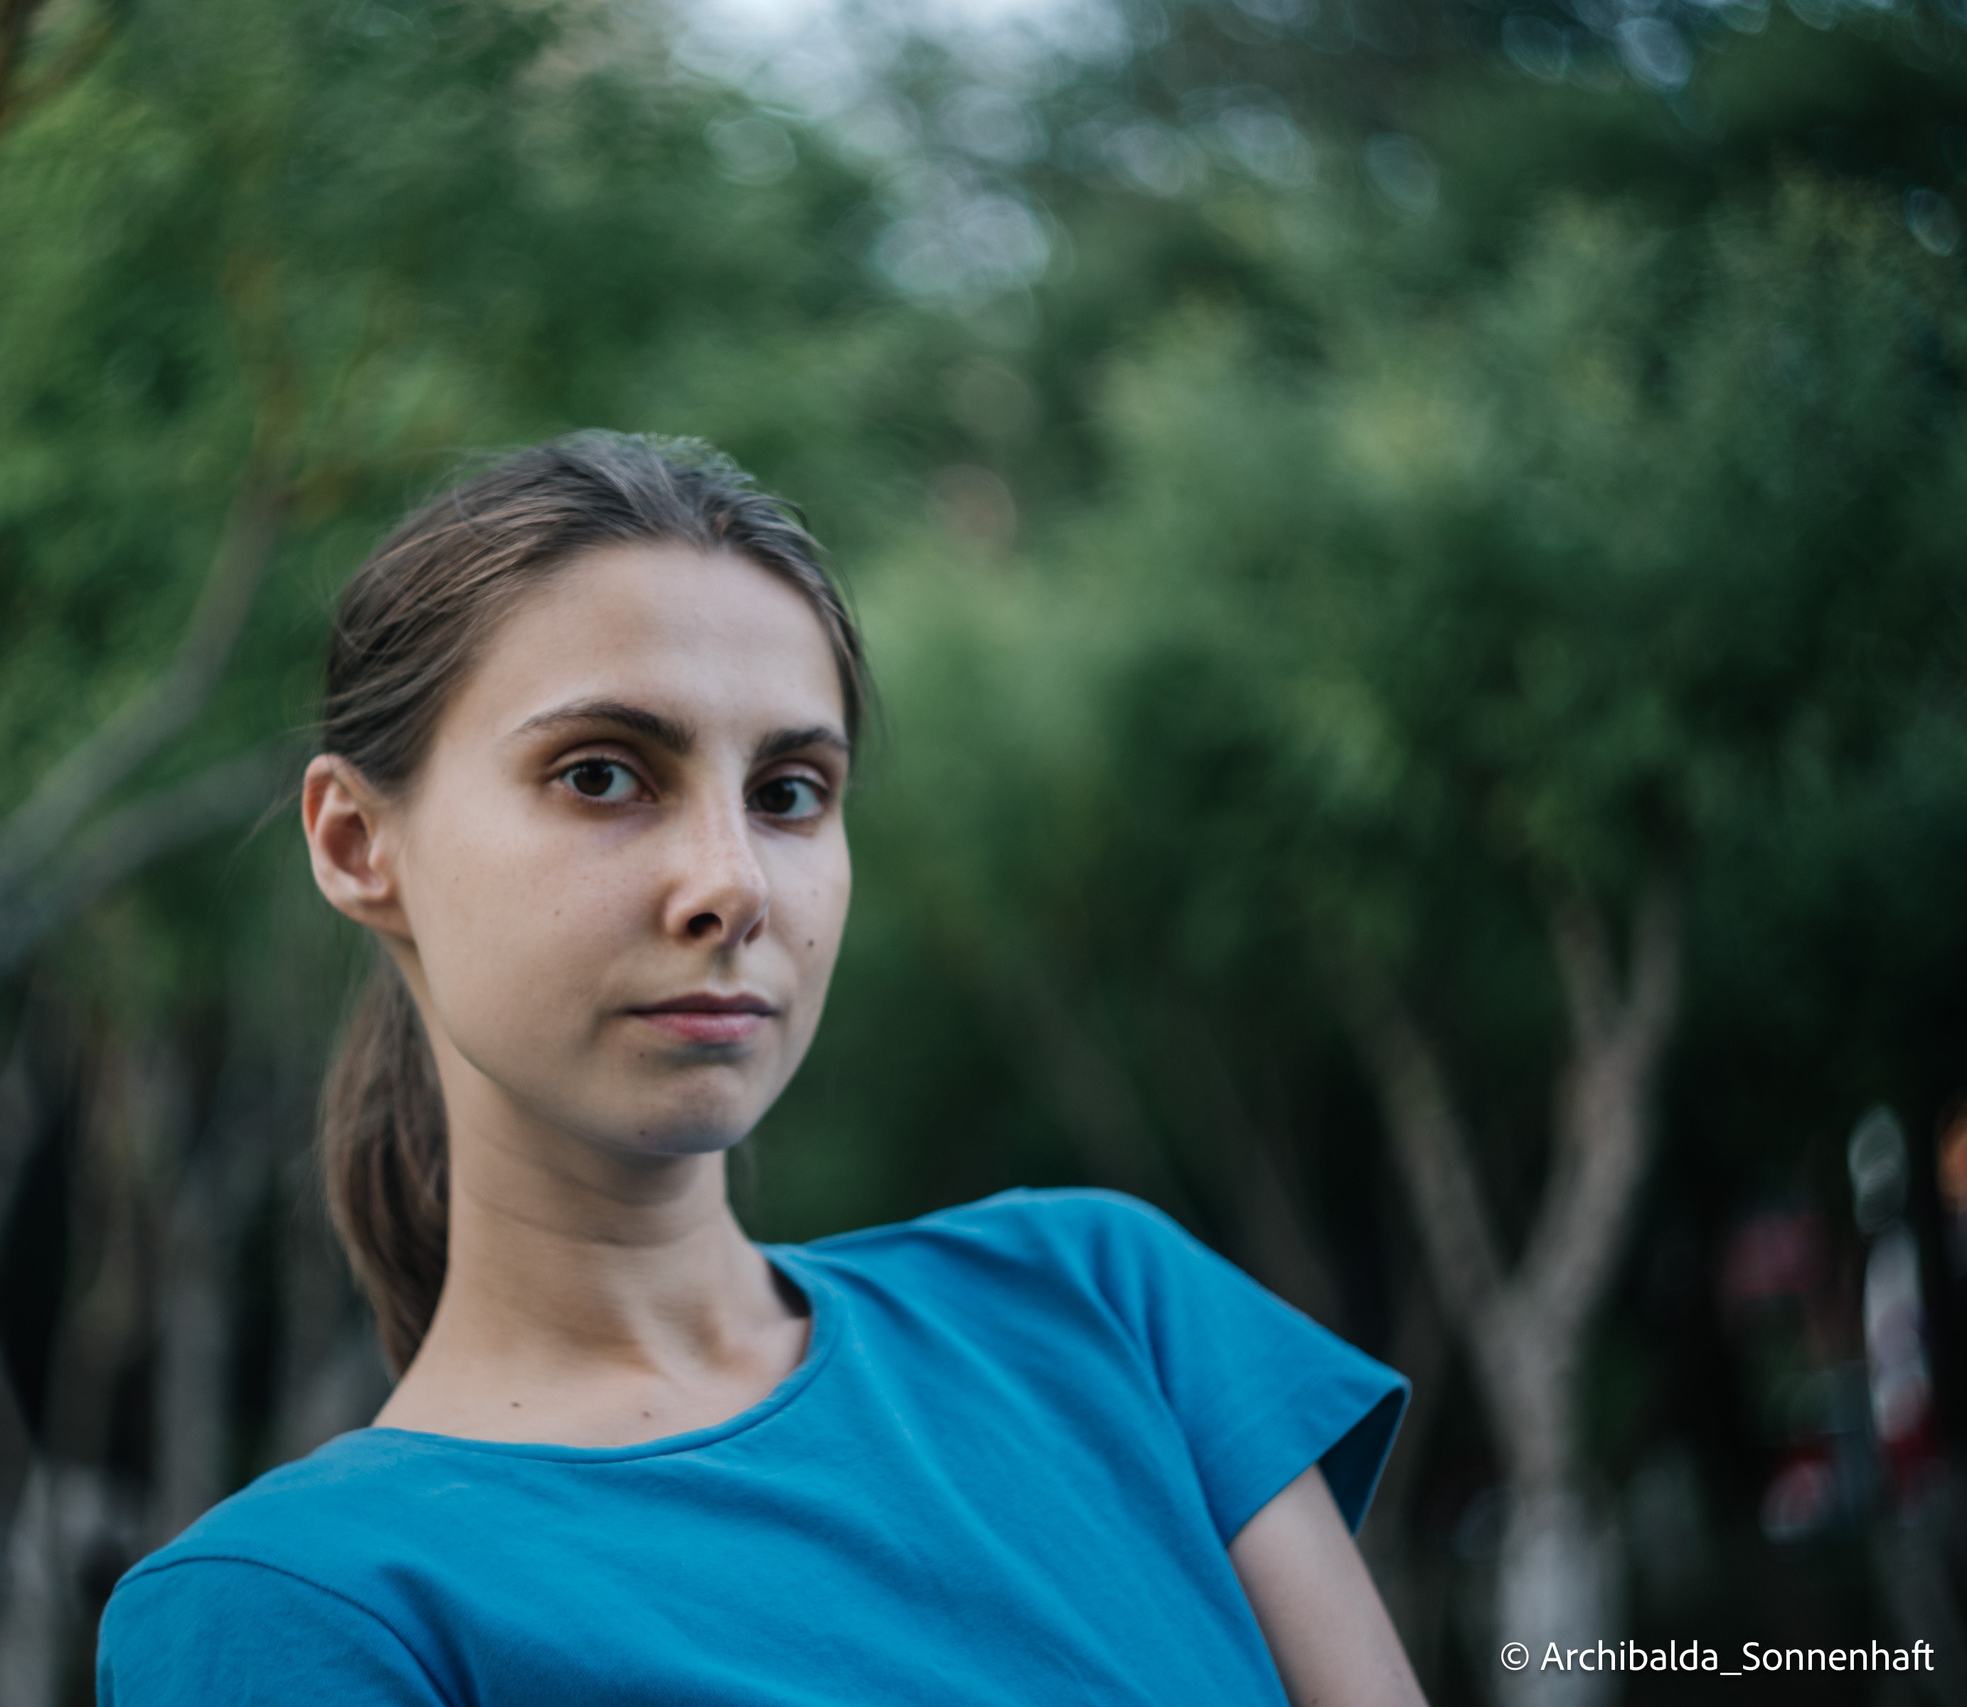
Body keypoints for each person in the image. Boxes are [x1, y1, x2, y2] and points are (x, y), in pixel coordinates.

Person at [96, 432, 1427, 1706]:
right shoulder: (291, 1611)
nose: (731, 885)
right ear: (355, 841)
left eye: (790, 792)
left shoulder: (1100, 1309)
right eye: (603, 775)